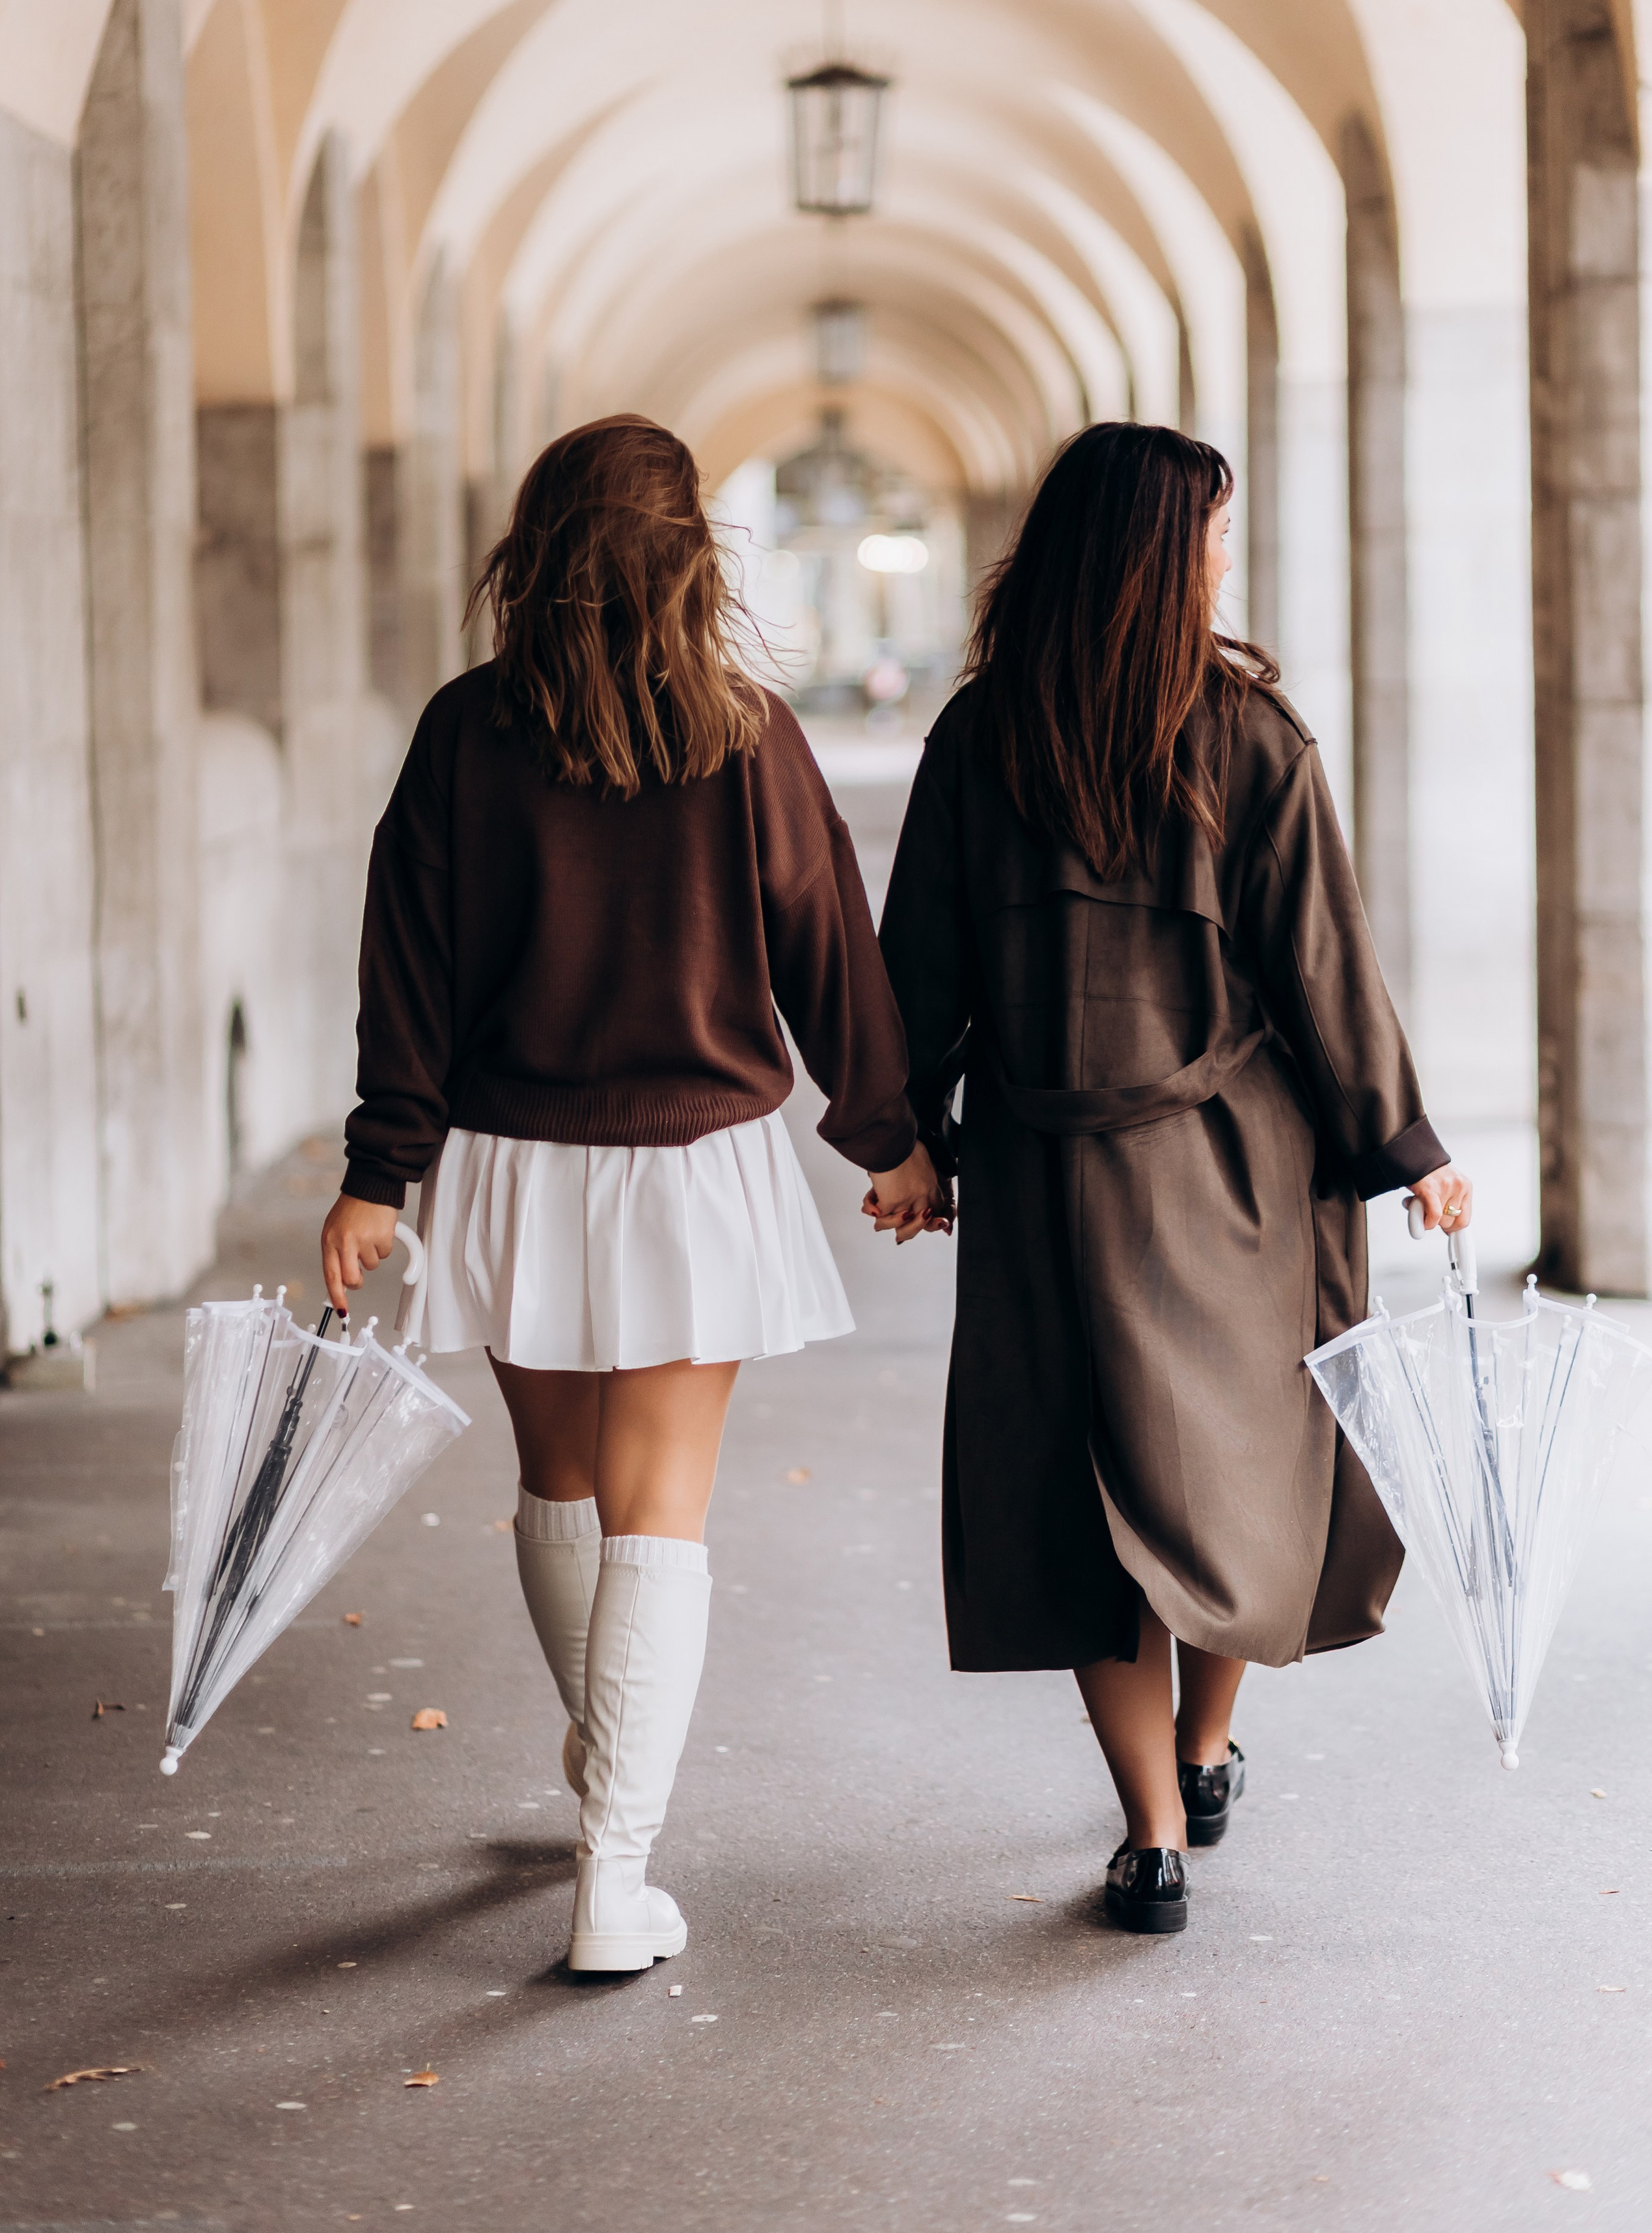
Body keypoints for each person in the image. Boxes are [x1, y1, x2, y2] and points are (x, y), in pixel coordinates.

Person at [320, 415, 944, 1974]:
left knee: (561, 1489)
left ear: (532, 551)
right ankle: (616, 1873)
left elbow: (406, 964)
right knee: (663, 1514)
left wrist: (378, 1168)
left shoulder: (467, 733)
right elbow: (828, 949)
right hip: (694, 1171)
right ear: (690, 552)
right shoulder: (745, 735)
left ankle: (605, 1786)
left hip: (515, 1163)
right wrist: (892, 1138)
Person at [875, 422, 1471, 1937]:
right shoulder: (1250, 736)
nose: (1222, 557)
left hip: (1041, 1168)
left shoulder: (976, 735)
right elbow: (1322, 963)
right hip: (1230, 1175)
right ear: (1157, 555)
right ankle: (1205, 1753)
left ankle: (1149, 1836)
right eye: (1208, 534)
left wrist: (907, 1138)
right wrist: (1405, 1148)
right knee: (1236, 1468)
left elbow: (914, 972)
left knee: (1078, 1490)